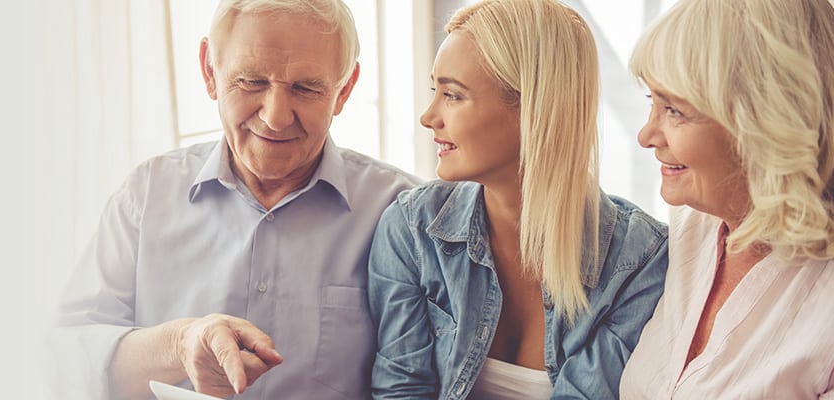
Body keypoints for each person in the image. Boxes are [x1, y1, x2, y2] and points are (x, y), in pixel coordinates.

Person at [48, 0, 420, 398]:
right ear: (210, 70)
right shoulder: (146, 194)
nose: (276, 117)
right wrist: (180, 343)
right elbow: (67, 359)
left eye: (306, 88)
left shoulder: (402, 214)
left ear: (344, 90)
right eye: (251, 82)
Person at [365, 0, 669, 398]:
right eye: (434, 91)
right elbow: (401, 390)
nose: (429, 116)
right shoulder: (412, 229)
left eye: (453, 95)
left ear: (533, 108)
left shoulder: (639, 259)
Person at [617, 0, 834, 397]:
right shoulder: (690, 227)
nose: (646, 136)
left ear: (765, 119)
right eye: (653, 103)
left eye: (675, 111)